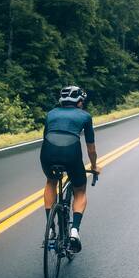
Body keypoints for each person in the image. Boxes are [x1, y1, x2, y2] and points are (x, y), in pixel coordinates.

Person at [40, 86, 100, 252]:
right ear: (79, 102)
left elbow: (46, 136)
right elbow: (91, 149)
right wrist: (94, 166)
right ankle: (74, 231)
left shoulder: (51, 114)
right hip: (71, 153)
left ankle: (51, 229)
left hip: (48, 152)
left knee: (51, 181)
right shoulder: (85, 116)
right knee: (79, 190)